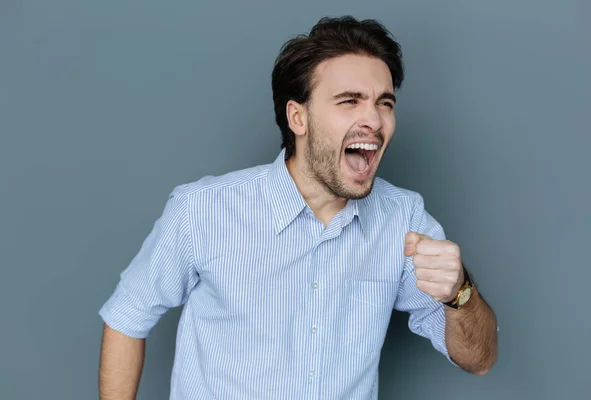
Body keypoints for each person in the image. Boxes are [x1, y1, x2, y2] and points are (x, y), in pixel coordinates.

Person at [98, 15, 498, 400]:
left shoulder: (404, 219)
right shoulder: (202, 210)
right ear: (298, 117)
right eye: (349, 101)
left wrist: (458, 292)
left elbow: (479, 360)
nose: (373, 120)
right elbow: (127, 318)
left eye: (384, 103)